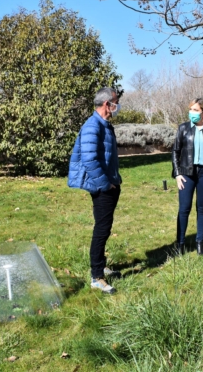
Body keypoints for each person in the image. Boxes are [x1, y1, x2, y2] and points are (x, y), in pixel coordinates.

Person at [68, 87, 122, 294]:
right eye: (115, 102)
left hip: (109, 183)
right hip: (103, 187)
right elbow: (89, 160)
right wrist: (105, 185)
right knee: (102, 229)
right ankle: (96, 276)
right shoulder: (93, 126)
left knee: (104, 227)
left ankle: (101, 265)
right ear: (107, 104)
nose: (117, 106)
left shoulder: (103, 124)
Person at [172, 98, 203, 255]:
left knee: (202, 209)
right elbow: (175, 151)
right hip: (187, 174)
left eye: (195, 110)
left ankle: (200, 242)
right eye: (191, 109)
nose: (192, 113)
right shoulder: (183, 128)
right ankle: (180, 244)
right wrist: (177, 174)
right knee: (184, 209)